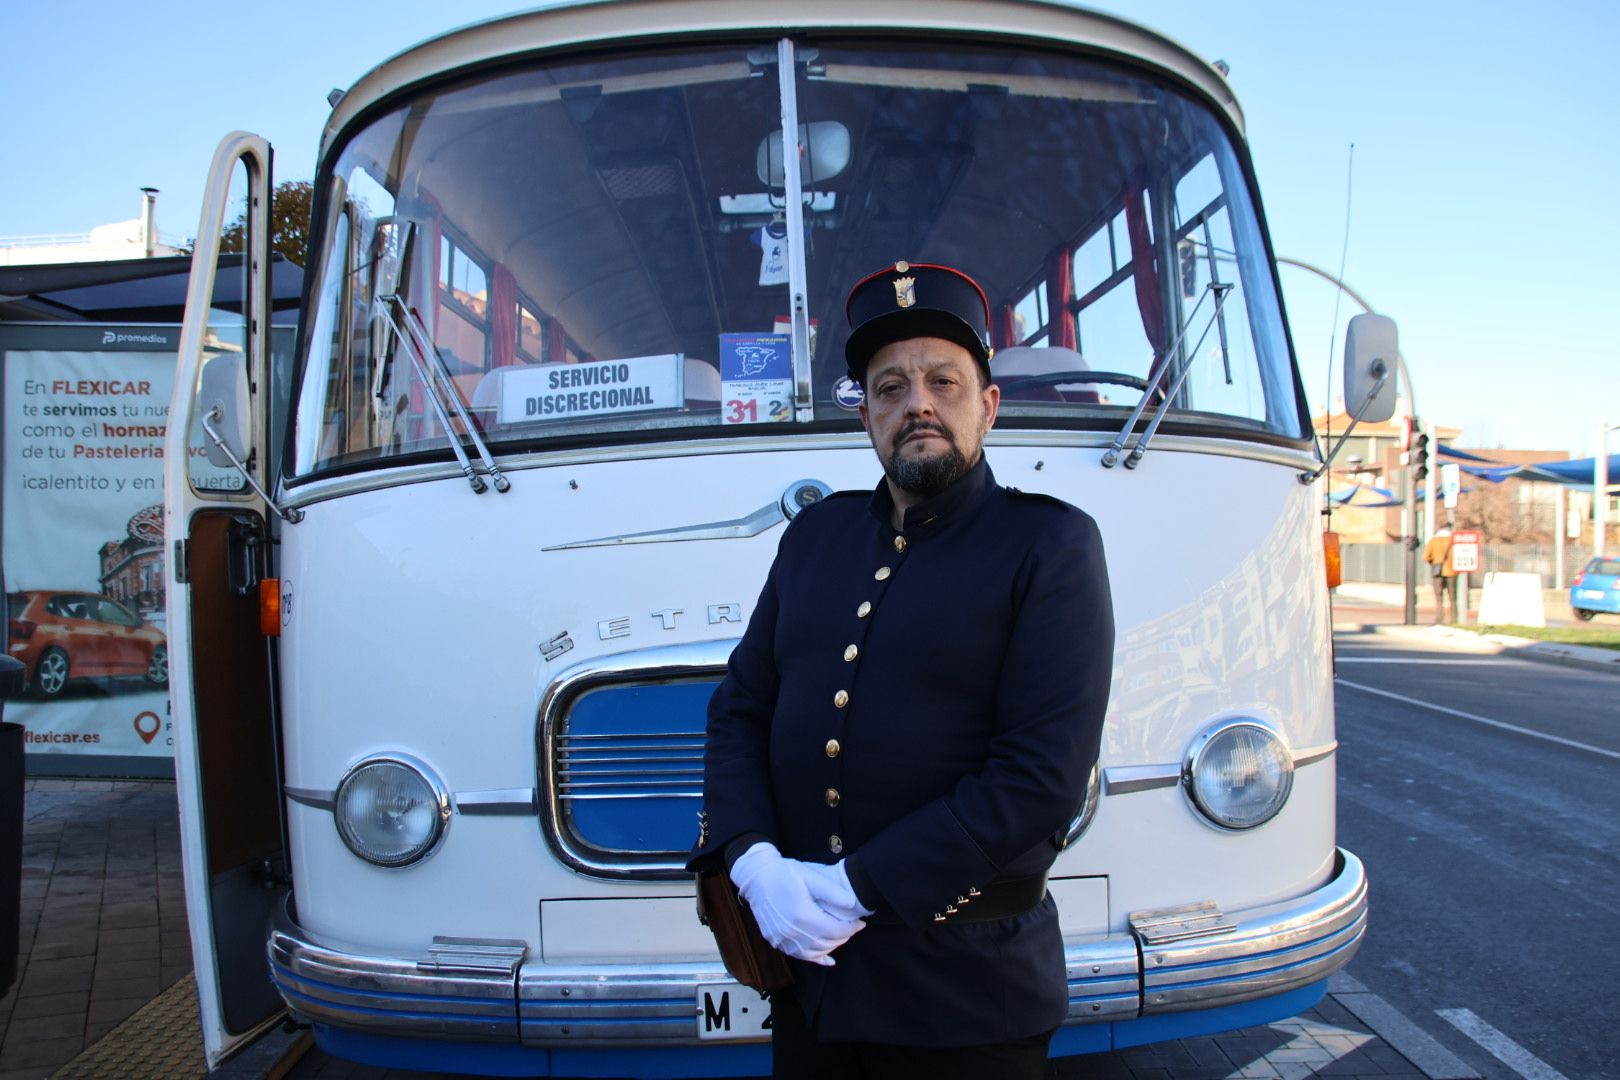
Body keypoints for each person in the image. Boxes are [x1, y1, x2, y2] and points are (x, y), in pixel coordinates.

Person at [690, 261, 1115, 1078]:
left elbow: (1040, 777)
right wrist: (750, 858)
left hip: (967, 997)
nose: (916, 402)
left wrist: (858, 887)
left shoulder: (1049, 547)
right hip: (813, 986)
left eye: (942, 381)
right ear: (869, 422)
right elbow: (740, 709)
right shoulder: (815, 539)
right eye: (889, 388)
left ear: (987, 406)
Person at [1423, 524, 1458, 623]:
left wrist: (1434, 562)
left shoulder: (1433, 541)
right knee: (1453, 597)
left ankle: (1439, 617)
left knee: (1438, 597)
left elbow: (1426, 556)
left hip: (1437, 572)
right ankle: (1454, 618)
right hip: (1451, 571)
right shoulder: (1453, 540)